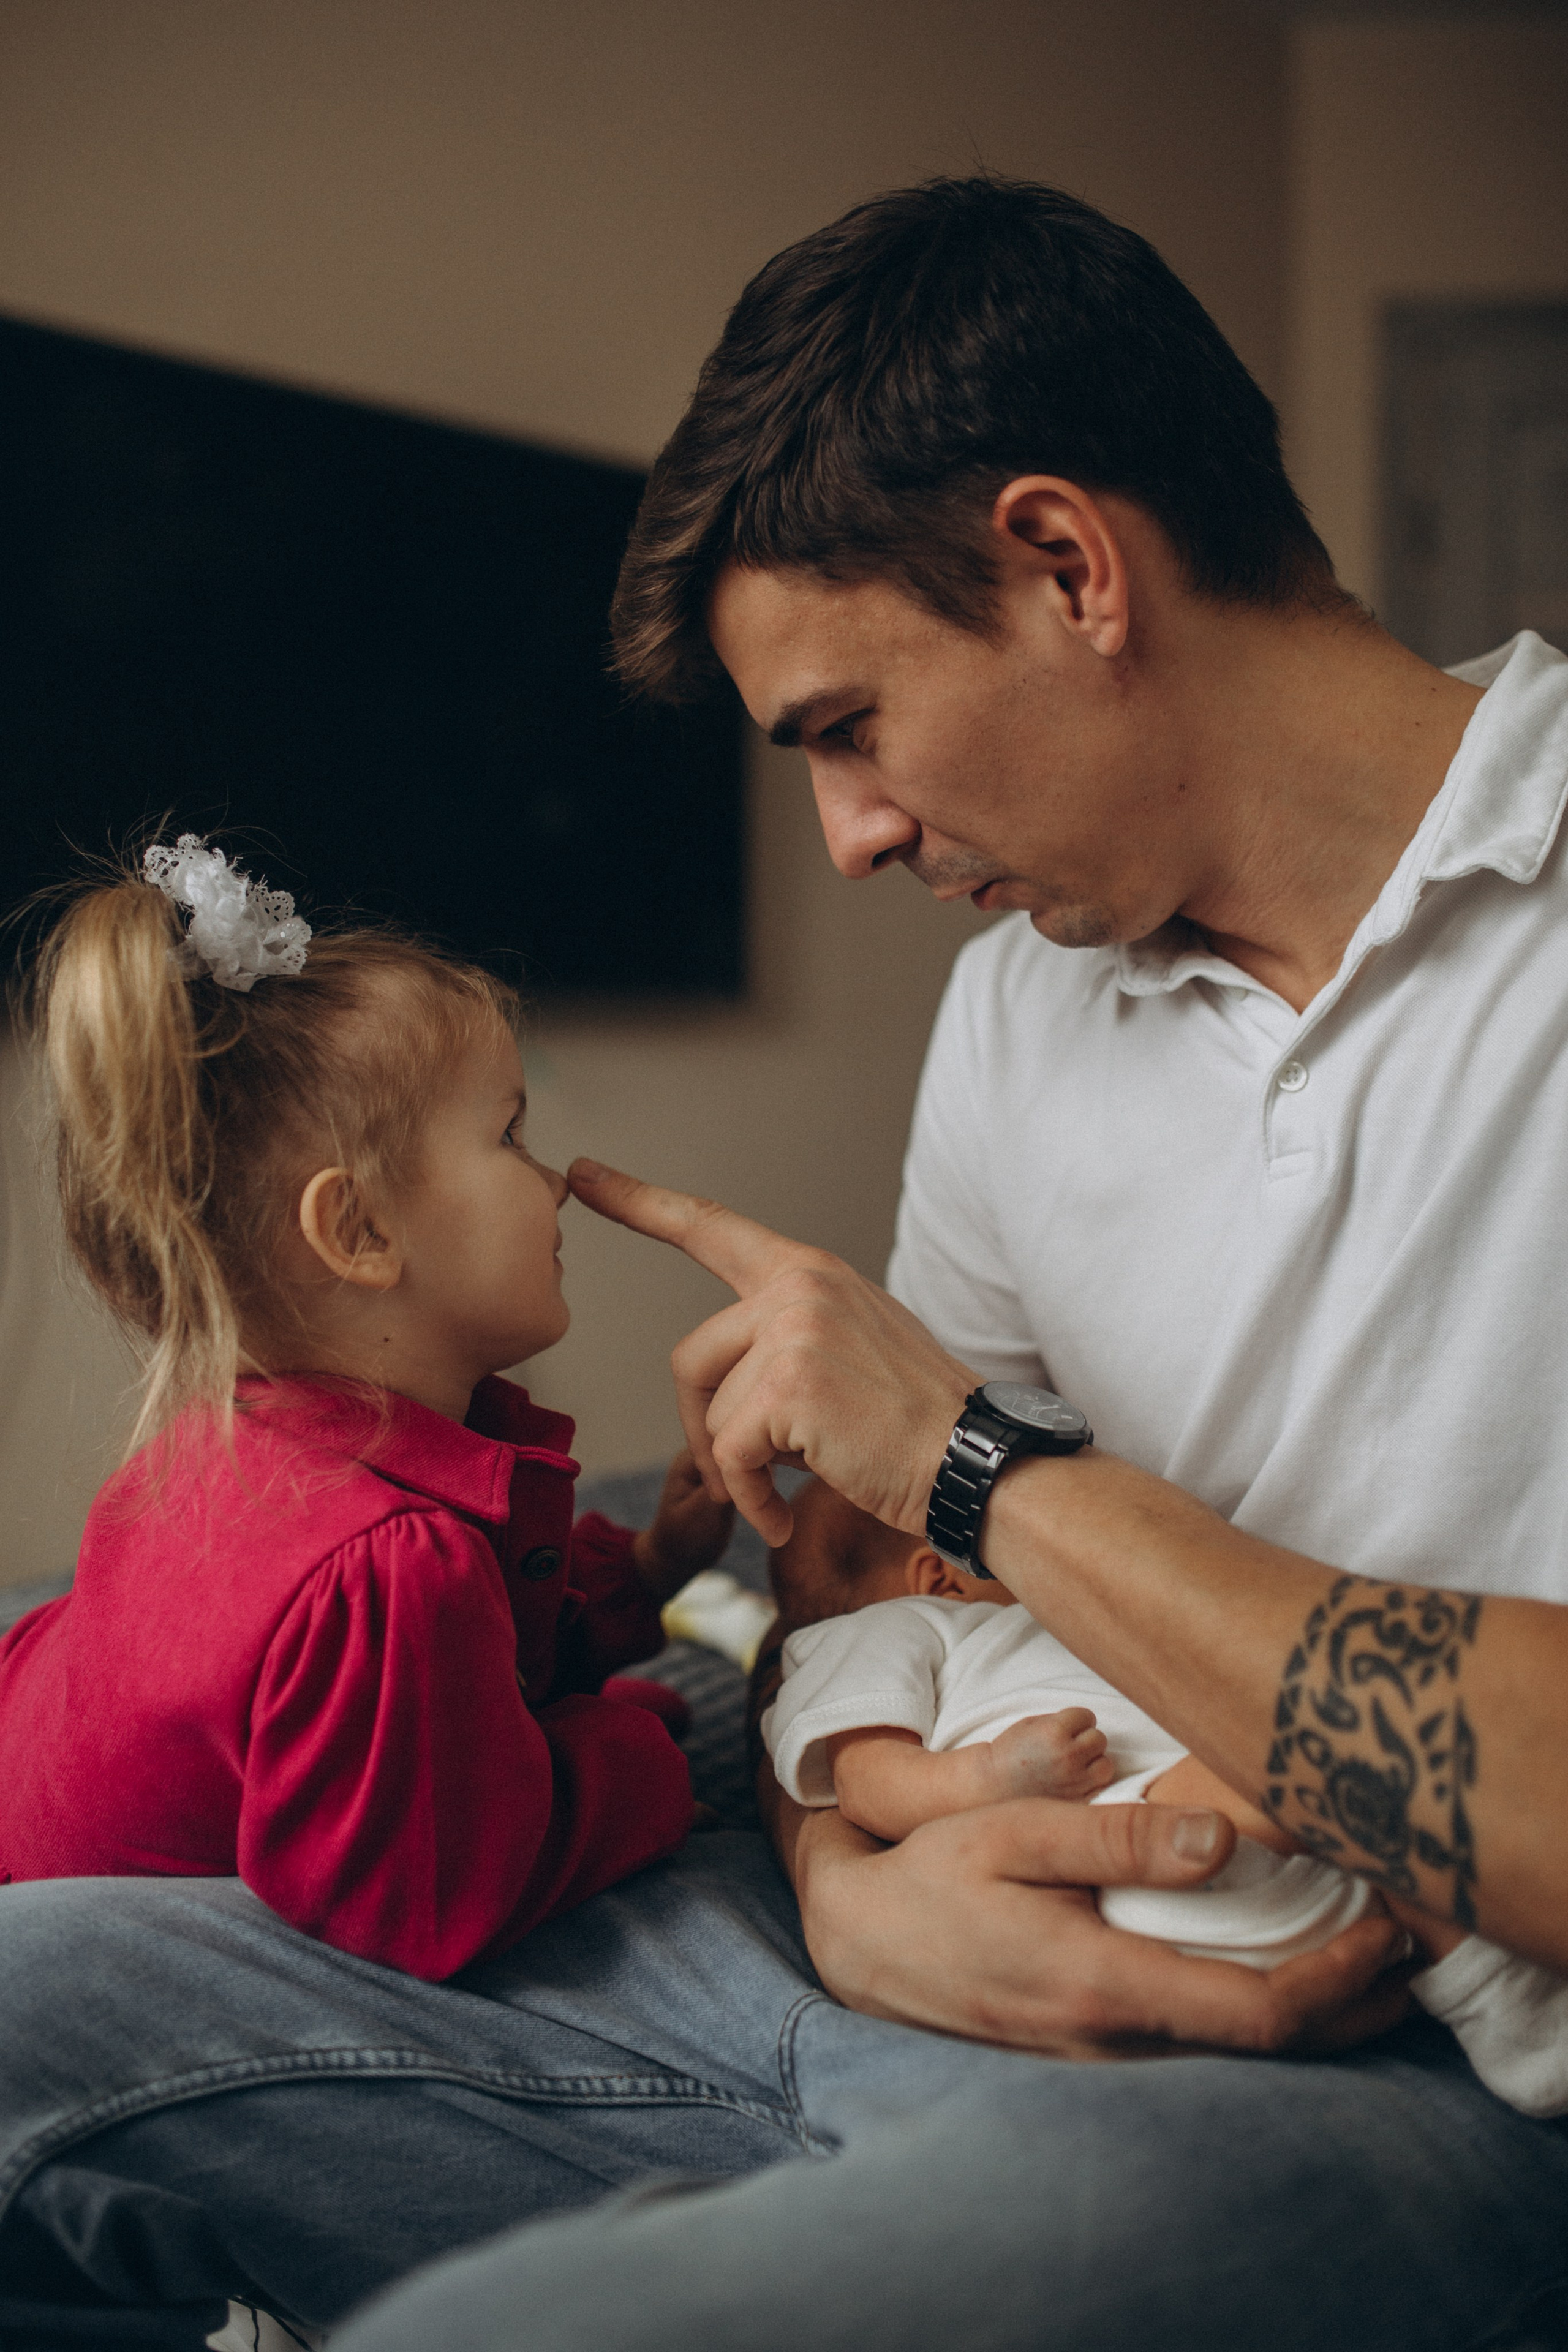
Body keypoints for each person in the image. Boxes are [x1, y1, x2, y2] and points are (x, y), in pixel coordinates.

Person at [5, 177, 1568, 2352]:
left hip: (1342, 2039)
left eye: (846, 727)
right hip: (872, 1910)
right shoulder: (1035, 994)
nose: (847, 839)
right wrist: (860, 1888)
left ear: (1066, 564)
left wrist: (969, 1461)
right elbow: (837, 1605)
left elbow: (939, 1495)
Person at [0, 835, 733, 1977]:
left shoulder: (230, 1441)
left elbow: (464, 1646)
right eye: (509, 1136)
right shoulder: (387, 1565)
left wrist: (643, 1569)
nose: (557, 1182)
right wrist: (635, 1760)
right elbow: (429, 1899)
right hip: (113, 1963)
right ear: (359, 1233)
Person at [760, 1477, 1568, 2119]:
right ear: (939, 1572)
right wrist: (997, 1777)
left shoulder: (1029, 1630)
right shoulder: (875, 1633)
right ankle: (1522, 2028)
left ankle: (1520, 2025)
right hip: (1129, 1862)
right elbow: (866, 1783)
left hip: (1248, 1876)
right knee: (1323, 1756)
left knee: (1378, 1817)